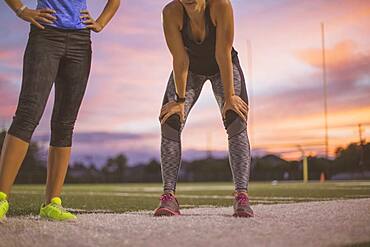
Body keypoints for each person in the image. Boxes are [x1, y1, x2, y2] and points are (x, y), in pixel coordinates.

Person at [0, 0, 120, 221]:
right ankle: (1, 198)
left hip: (81, 42)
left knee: (65, 124)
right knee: (28, 114)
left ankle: (52, 203)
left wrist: (101, 22)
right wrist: (21, 10)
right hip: (45, 36)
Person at [154, 0, 253, 217]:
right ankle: (169, 197)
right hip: (190, 69)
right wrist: (179, 102)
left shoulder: (221, 6)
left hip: (222, 65)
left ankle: (241, 196)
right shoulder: (171, 12)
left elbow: (222, 54)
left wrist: (229, 98)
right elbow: (180, 59)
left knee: (235, 117)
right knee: (170, 121)